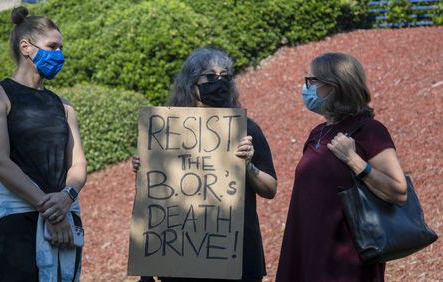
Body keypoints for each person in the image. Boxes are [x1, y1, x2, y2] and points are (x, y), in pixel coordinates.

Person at [132, 47, 278, 282]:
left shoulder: (247, 130)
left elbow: (270, 189)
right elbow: (155, 198)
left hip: (236, 257)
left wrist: (248, 165)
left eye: (226, 76)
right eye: (210, 76)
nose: (219, 82)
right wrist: (144, 167)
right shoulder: (166, 132)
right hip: (179, 257)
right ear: (191, 82)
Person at [0, 6, 87, 281]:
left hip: (61, 221)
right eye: (52, 46)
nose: (59, 54)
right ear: (26, 47)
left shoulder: (64, 106)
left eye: (61, 47)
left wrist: (66, 197)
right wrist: (48, 208)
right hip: (15, 223)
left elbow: (78, 163)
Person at [275, 52, 407, 282]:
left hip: (345, 262)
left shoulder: (370, 130)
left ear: (335, 86)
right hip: (308, 251)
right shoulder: (318, 132)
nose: (306, 88)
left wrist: (354, 160)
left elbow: (399, 191)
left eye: (311, 81)